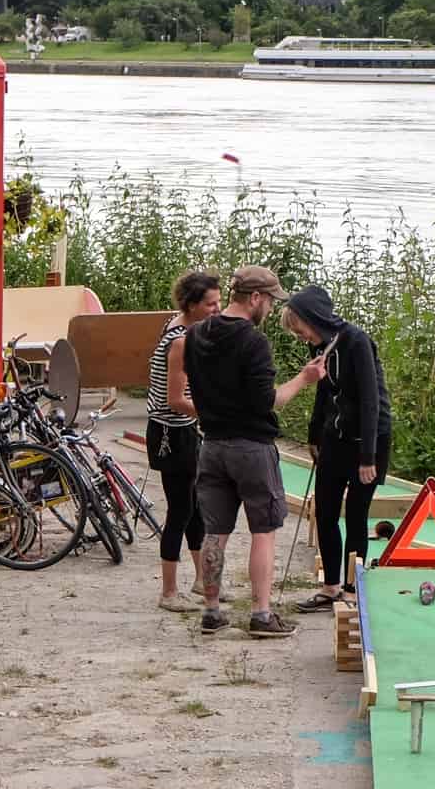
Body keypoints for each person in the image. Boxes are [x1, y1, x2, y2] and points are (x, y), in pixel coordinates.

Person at [182, 265, 323, 638]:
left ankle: (211, 610)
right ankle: (261, 614)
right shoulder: (253, 342)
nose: (271, 310)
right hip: (252, 447)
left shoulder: (195, 335)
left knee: (215, 530)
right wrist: (304, 379)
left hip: (210, 444)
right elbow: (268, 401)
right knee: (264, 529)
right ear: (255, 298)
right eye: (270, 301)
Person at [279, 285, 392, 613]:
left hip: (368, 441)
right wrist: (314, 435)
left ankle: (353, 589)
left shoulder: (357, 342)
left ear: (313, 319)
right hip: (335, 439)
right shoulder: (321, 344)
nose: (298, 335)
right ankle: (330, 587)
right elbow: (323, 391)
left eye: (297, 327)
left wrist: (368, 456)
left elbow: (371, 401)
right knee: (325, 513)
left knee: (356, 516)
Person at [147, 269, 222, 612]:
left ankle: (200, 581)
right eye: (211, 304)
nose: (217, 309)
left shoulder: (182, 327)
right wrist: (213, 414)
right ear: (191, 305)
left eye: (219, 302)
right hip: (171, 432)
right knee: (180, 510)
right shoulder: (180, 340)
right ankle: (168, 593)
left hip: (184, 430)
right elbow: (176, 399)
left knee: (196, 508)